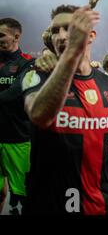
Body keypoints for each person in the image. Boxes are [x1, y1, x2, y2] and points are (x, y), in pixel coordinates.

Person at [22, 4, 108, 215]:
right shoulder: (37, 74)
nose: (61, 36)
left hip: (100, 205)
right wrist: (72, 53)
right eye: (55, 30)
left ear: (91, 36)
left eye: (68, 28)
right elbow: (39, 115)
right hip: (48, 206)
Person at [0, 18, 34, 215]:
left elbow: (15, 93)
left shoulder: (28, 63)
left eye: (1, 35)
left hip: (18, 139)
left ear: (16, 36)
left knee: (19, 196)